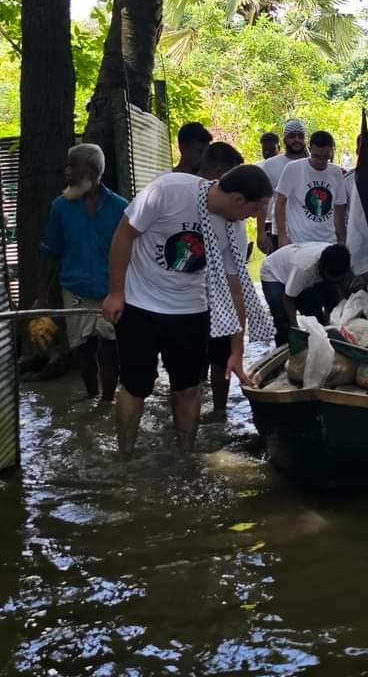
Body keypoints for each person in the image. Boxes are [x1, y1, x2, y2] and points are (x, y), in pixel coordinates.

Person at [102, 165, 272, 456]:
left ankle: (185, 456)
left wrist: (237, 349)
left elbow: (235, 289)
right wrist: (116, 293)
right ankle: (125, 456)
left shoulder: (234, 229)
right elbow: (123, 235)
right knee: (135, 385)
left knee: (189, 387)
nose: (254, 217)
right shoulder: (168, 191)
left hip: (191, 309)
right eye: (256, 209)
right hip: (140, 302)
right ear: (238, 199)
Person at [38, 143, 127, 402]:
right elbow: (51, 250)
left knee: (110, 350)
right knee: (84, 350)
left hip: (111, 291)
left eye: (73, 166)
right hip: (75, 291)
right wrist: (42, 295)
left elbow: (132, 251)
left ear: (92, 170)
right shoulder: (60, 207)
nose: (67, 172)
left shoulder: (120, 207)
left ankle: (106, 404)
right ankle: (91, 397)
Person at [198, 142, 246, 418]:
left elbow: (237, 281)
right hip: (183, 299)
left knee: (220, 356)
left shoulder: (233, 218)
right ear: (218, 173)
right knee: (188, 369)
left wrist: (237, 344)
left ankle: (219, 413)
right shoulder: (180, 199)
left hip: (219, 298)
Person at [260, 242, 352, 346]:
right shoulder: (304, 268)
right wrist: (296, 328)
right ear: (322, 268)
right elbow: (288, 298)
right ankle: (285, 352)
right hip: (273, 272)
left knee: (316, 314)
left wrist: (333, 322)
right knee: (282, 319)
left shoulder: (339, 259)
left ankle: (324, 343)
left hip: (296, 268)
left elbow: (336, 294)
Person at [276, 130, 347, 247]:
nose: (321, 161)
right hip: (299, 241)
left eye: (326, 157)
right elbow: (280, 202)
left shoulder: (336, 172)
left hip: (328, 242)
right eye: (316, 156)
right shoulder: (293, 169)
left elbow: (339, 209)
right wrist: (282, 235)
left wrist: (342, 239)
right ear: (309, 149)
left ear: (331, 152)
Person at [256, 119, 308, 254]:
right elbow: (263, 201)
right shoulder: (270, 165)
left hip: (308, 229)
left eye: (300, 136)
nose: (296, 140)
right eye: (292, 136)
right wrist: (261, 232)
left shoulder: (312, 164)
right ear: (284, 139)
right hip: (279, 230)